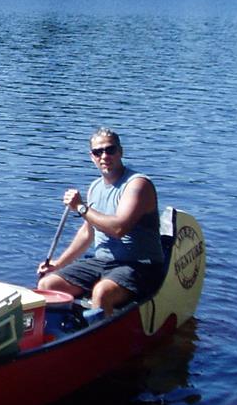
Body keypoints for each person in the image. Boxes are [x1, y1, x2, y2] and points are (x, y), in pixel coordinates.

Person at [38, 128, 165, 316]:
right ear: (92, 157)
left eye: (110, 150)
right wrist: (58, 264)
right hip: (102, 262)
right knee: (47, 285)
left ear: (120, 151)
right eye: (98, 152)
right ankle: (60, 333)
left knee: (102, 293)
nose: (104, 156)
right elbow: (87, 233)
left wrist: (81, 207)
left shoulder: (137, 185)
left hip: (139, 265)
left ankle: (102, 337)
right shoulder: (95, 187)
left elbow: (119, 228)